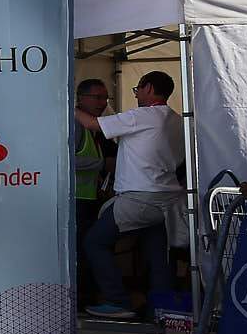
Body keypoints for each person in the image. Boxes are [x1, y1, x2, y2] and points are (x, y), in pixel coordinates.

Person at [77, 70, 184, 319]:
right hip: (167, 199)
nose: (136, 96)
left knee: (94, 242)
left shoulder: (142, 115)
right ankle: (163, 307)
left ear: (147, 88)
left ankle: (117, 300)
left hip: (139, 197)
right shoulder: (177, 120)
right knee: (158, 253)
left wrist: (66, 103)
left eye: (137, 90)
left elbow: (93, 123)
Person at [71, 80, 115, 303]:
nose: (102, 102)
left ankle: (87, 296)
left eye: (105, 97)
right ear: (80, 98)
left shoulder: (98, 127)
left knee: (88, 249)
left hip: (89, 199)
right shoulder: (75, 124)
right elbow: (64, 158)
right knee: (82, 250)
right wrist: (100, 165)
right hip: (75, 199)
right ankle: (81, 299)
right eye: (97, 97)